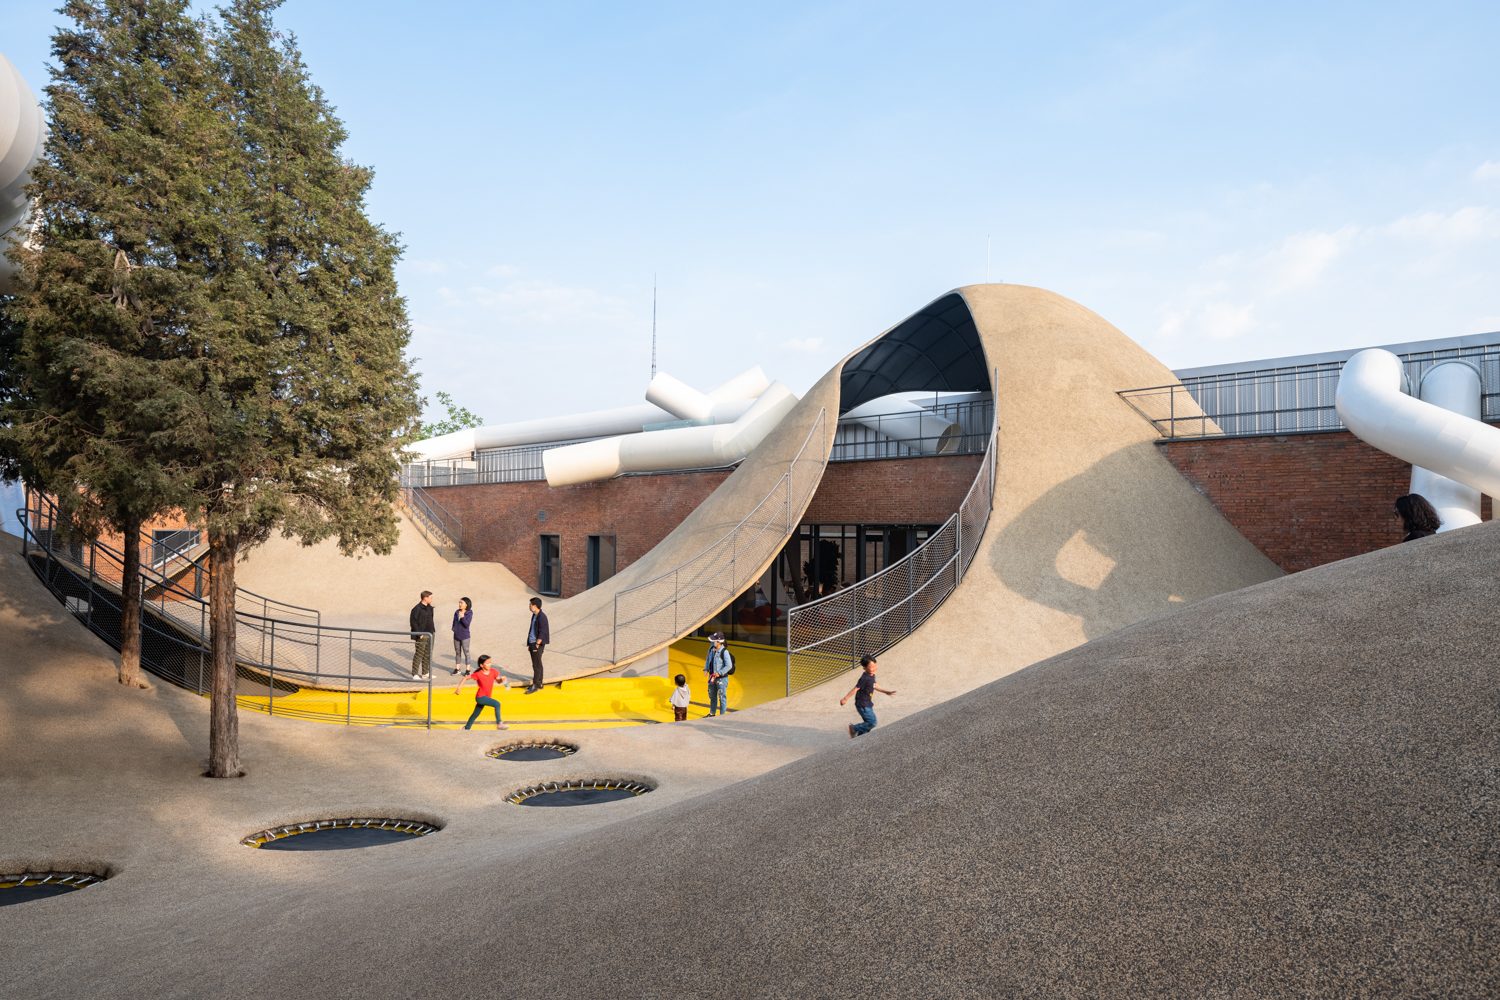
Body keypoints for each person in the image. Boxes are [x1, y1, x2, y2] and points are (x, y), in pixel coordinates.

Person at [840, 655, 896, 738]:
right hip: (862, 704)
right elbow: (856, 688)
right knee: (872, 722)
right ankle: (853, 728)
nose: (874, 668)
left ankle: (860, 738)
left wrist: (886, 692)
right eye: (871, 667)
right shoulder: (864, 678)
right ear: (864, 668)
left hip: (867, 703)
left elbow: (874, 685)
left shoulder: (871, 675)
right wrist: (845, 698)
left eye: (875, 666)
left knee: (867, 725)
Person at [456, 654, 507, 730]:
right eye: (487, 663)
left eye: (490, 662)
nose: (489, 664)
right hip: (480, 697)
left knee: (475, 714)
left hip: (486, 697)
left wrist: (502, 680)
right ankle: (499, 723)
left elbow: (498, 681)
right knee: (497, 704)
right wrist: (459, 688)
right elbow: (465, 678)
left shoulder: (493, 671)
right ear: (481, 665)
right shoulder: (478, 674)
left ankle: (466, 728)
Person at [703, 632, 734, 717]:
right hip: (712, 677)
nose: (713, 642)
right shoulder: (711, 649)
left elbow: (729, 665)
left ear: (719, 642)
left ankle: (722, 716)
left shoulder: (724, 652)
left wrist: (719, 673)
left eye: (714, 641)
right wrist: (706, 669)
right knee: (712, 695)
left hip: (721, 679)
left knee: (722, 697)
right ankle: (712, 713)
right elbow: (708, 659)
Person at [524, 597, 550, 693]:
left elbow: (543, 631)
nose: (529, 606)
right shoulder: (535, 615)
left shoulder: (542, 617)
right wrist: (529, 643)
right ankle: (539, 683)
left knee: (536, 665)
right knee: (538, 663)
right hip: (532, 642)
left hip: (536, 643)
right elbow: (532, 630)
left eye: (530, 604)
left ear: (535, 606)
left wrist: (537, 644)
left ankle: (535, 685)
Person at [408, 590, 435, 679]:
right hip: (422, 635)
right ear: (425, 598)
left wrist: (433, 631)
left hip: (431, 634)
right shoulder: (416, 609)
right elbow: (413, 623)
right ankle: (415, 674)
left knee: (428, 654)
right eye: (430, 597)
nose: (432, 599)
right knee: (419, 654)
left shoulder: (430, 608)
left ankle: (425, 673)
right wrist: (419, 634)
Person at [450, 597, 474, 676]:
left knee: (466, 652)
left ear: (466, 604)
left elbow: (467, 624)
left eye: (461, 603)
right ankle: (457, 669)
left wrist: (463, 617)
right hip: (456, 635)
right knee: (457, 652)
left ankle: (468, 670)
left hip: (465, 636)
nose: (459, 604)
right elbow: (454, 621)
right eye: (459, 602)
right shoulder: (456, 612)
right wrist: (454, 628)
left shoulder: (469, 613)